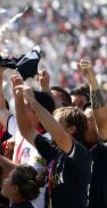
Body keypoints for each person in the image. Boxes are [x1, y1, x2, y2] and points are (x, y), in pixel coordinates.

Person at [13, 79, 92, 208]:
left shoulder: (80, 153)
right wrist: (18, 99)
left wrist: (33, 101)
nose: (49, 125)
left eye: (56, 122)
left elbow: (60, 136)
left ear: (71, 129)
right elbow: (26, 131)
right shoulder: (55, 151)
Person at [0, 68, 54, 208]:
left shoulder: (48, 142)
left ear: (38, 113)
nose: (19, 109)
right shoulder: (21, 129)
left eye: (26, 106)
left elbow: (29, 175)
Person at [79, 60, 107, 208]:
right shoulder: (75, 148)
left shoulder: (103, 150)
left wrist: (92, 80)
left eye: (90, 120)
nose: (84, 123)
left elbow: (101, 121)